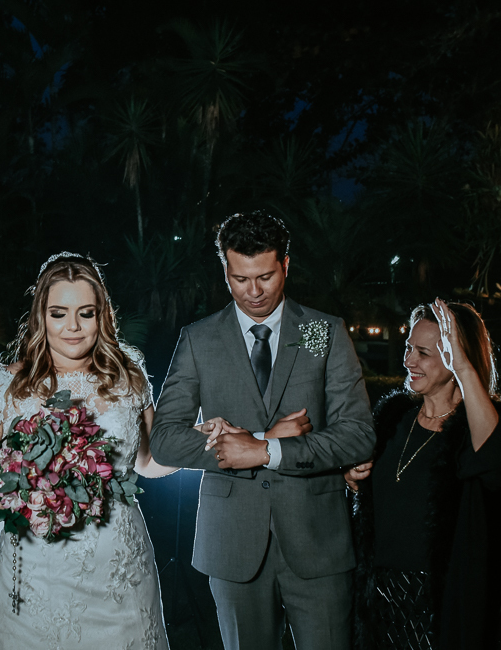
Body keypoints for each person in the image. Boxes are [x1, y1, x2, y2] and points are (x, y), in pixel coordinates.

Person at [150, 211, 377, 650]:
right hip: (232, 546)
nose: (253, 292)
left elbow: (357, 434)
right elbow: (164, 439)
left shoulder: (318, 332)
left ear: (286, 265)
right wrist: (259, 439)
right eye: (239, 278)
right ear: (225, 270)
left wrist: (264, 450)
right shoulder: (199, 339)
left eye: (265, 277)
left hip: (318, 543)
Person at [0, 253, 184, 649]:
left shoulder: (129, 375)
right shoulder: (12, 383)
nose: (73, 327)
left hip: (120, 574)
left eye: (86, 313)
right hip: (36, 574)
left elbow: (147, 460)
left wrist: (200, 443)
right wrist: (13, 499)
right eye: (59, 313)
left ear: (102, 315)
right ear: (41, 316)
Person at [345, 299, 501, 649]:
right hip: (379, 598)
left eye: (423, 352)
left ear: (455, 359)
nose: (409, 361)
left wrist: (465, 369)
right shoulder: (392, 420)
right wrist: (355, 483)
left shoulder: (478, 427)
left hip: (441, 603)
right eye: (409, 348)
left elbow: (496, 461)